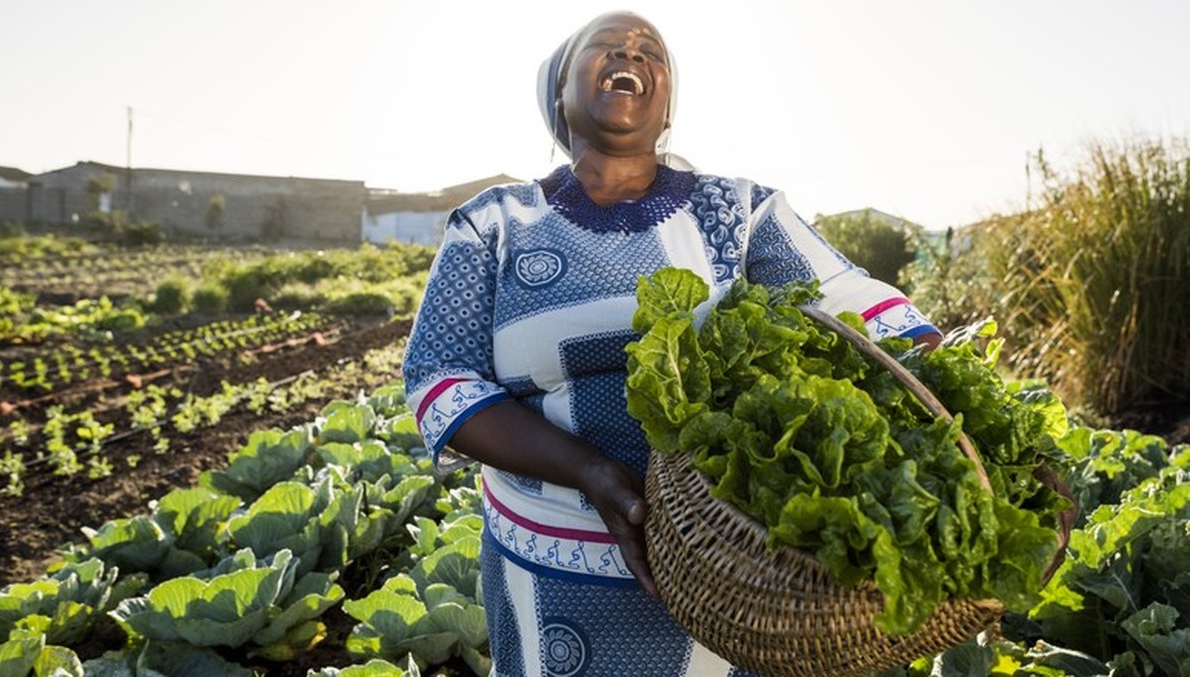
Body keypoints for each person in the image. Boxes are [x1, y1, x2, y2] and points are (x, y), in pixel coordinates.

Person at [402, 11, 941, 676]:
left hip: (727, 568)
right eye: (605, 45)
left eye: (650, 50)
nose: (630, 52)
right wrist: (591, 471)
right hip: (551, 569)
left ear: (666, 111)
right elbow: (438, 378)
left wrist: (950, 392)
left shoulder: (738, 210)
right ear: (561, 95)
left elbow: (846, 297)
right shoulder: (496, 222)